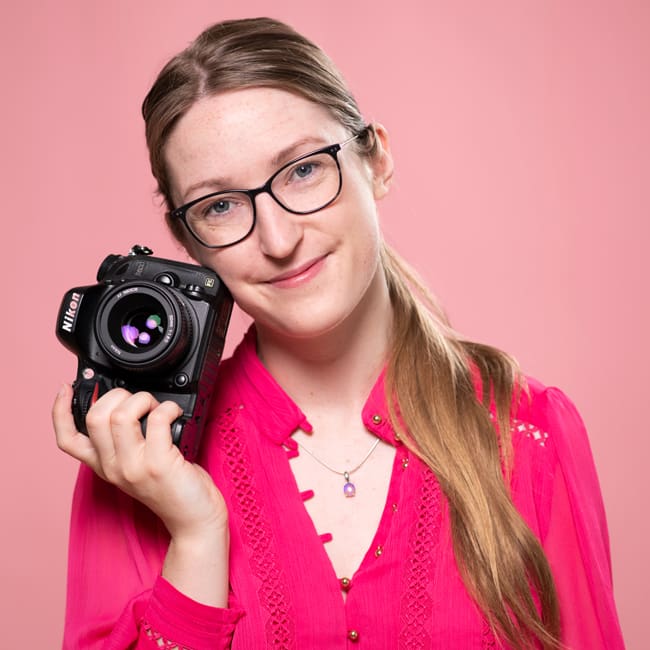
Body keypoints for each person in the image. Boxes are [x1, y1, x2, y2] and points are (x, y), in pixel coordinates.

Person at [53, 17, 625, 650]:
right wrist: (195, 534)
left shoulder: (530, 430)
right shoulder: (141, 455)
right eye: (220, 206)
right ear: (189, 243)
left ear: (375, 160)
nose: (277, 240)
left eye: (302, 171)